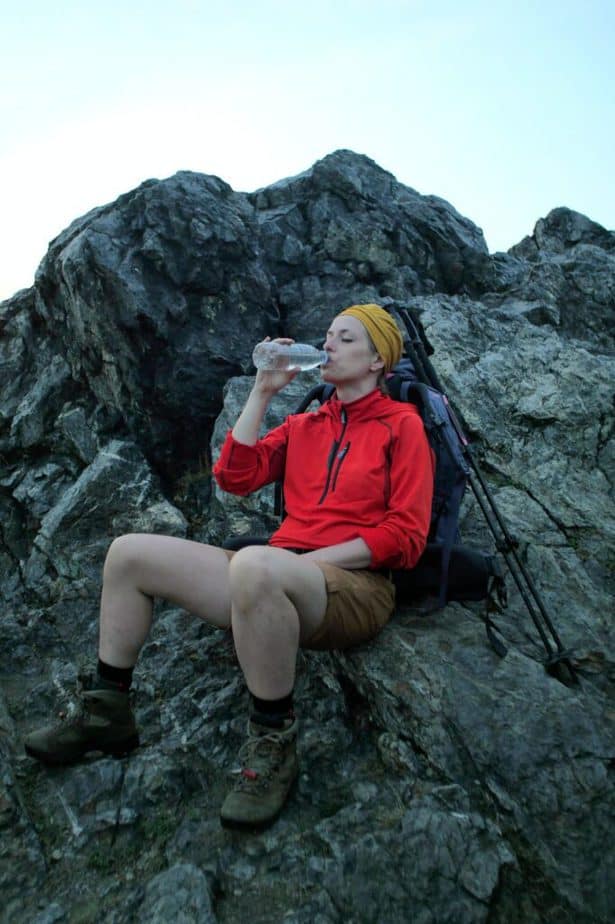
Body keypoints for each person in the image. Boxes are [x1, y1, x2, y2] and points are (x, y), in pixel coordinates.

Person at [24, 304, 434, 830]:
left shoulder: (404, 426)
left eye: (345, 339)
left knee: (256, 566)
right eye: (327, 335)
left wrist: (305, 561)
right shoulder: (306, 424)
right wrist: (264, 391)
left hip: (354, 587)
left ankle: (272, 740)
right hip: (271, 576)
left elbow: (406, 535)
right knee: (128, 553)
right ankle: (107, 711)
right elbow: (233, 476)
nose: (327, 346)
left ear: (379, 358)